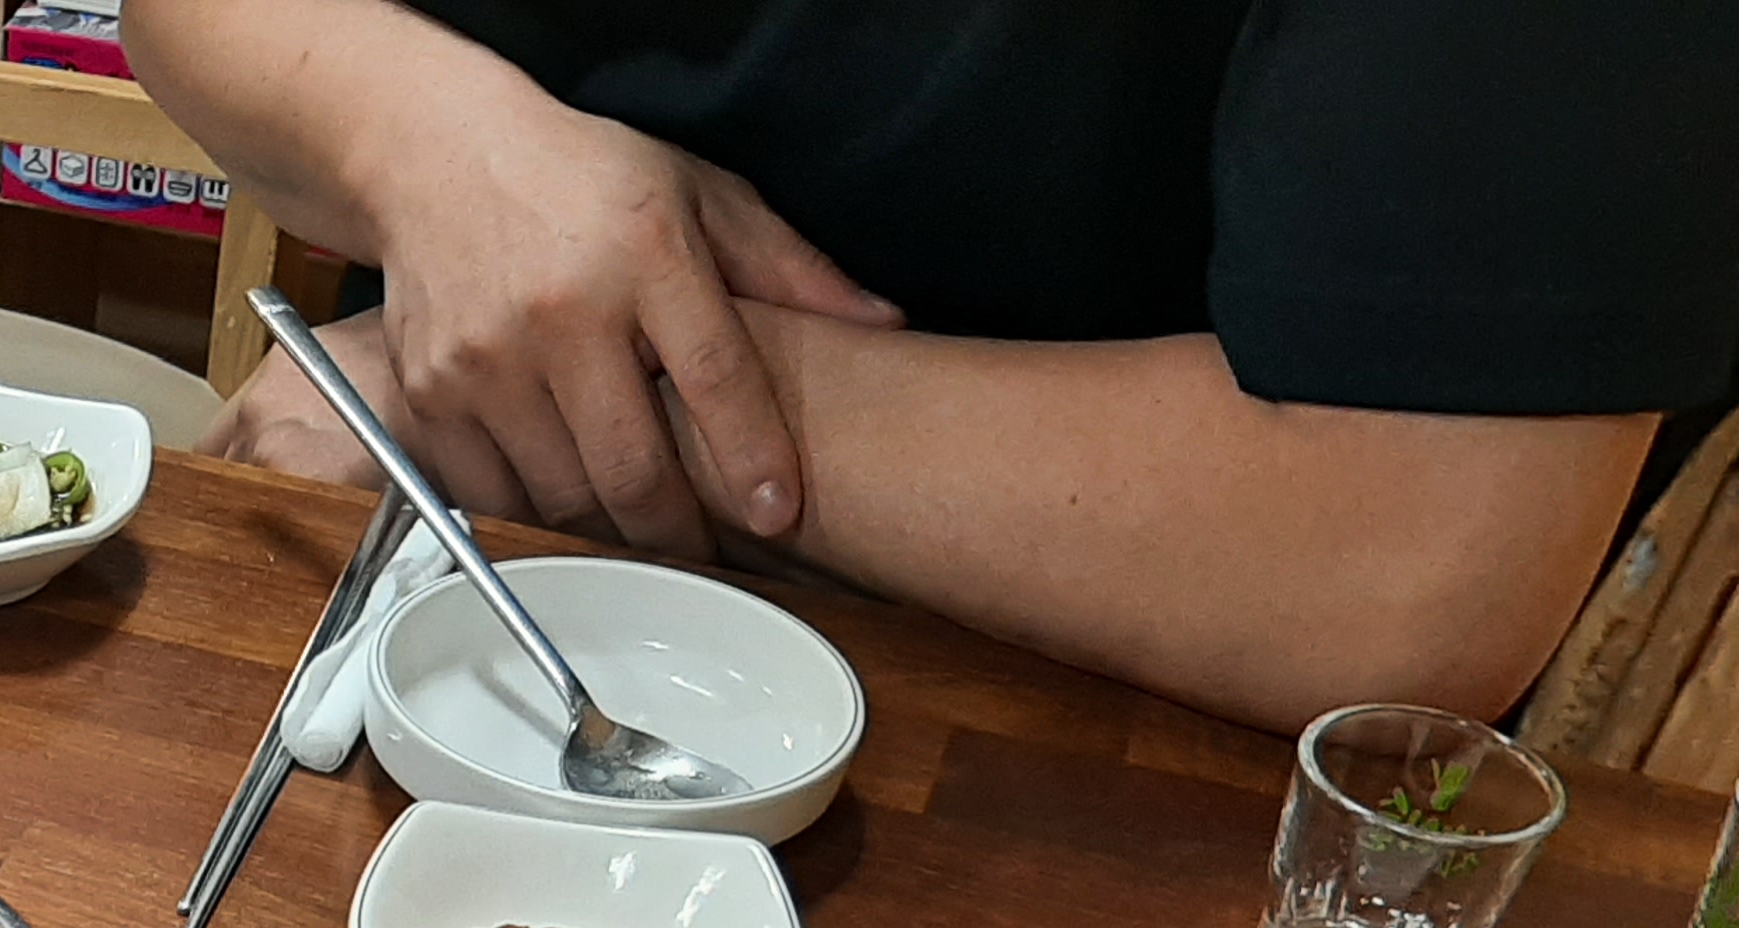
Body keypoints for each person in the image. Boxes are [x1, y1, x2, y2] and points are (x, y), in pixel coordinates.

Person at [123, 2, 1739, 731]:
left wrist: (599, 369)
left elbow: (1410, 563)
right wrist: (424, 140)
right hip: (432, 587)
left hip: (1087, 795)